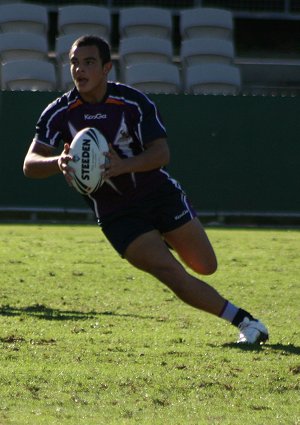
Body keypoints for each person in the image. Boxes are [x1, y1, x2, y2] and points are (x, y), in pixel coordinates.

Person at [23, 35, 268, 344]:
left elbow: (161, 154)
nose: (79, 70)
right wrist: (60, 160)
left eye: (88, 62)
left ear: (106, 68)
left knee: (205, 265)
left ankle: (163, 235)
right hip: (116, 213)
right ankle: (246, 323)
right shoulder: (59, 112)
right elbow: (30, 164)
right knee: (171, 273)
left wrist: (122, 166)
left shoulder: (133, 102)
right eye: (74, 63)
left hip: (157, 194)